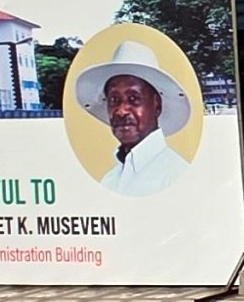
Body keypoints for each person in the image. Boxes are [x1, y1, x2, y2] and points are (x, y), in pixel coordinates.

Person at [76, 41, 192, 195]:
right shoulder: (110, 179)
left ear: (157, 104)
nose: (121, 111)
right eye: (114, 100)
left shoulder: (176, 175)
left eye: (133, 98)